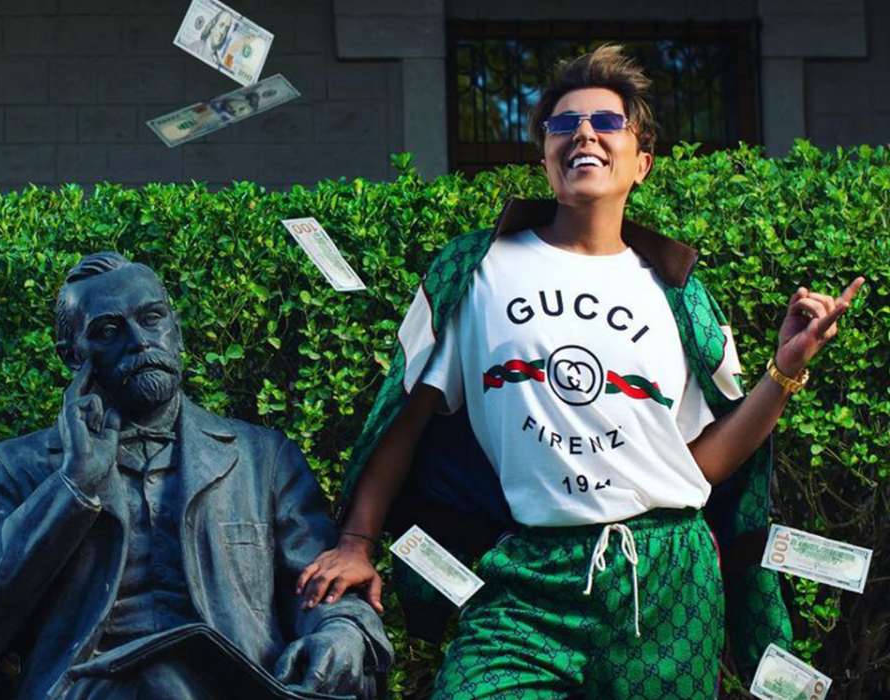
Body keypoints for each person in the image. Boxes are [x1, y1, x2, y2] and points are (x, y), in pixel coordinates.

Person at [296, 44, 864, 699]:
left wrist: (784, 371)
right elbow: (405, 413)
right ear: (545, 156)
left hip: (666, 578)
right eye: (563, 124)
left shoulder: (681, 295)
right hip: (531, 570)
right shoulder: (475, 271)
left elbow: (704, 463)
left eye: (606, 122)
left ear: (641, 162)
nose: (584, 133)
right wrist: (357, 541)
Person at [0, 252, 391, 700]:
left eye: (152, 318)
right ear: (73, 357)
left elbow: (320, 583)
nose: (139, 341)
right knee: (159, 679)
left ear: (177, 330)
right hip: (87, 687)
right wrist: (73, 485)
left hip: (240, 681)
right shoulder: (18, 467)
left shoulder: (262, 459)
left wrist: (344, 631)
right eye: (109, 331)